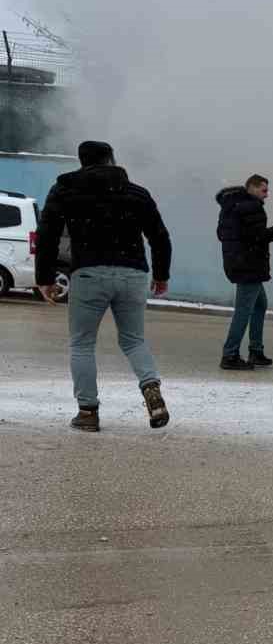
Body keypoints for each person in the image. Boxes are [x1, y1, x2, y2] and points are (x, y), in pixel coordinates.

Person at [33, 140, 172, 432]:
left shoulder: (66, 190)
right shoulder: (136, 193)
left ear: (81, 161)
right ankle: (151, 387)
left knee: (82, 344)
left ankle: (88, 412)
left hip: (88, 274)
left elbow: (48, 234)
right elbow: (159, 236)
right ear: (111, 159)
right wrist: (161, 274)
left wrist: (44, 277)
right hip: (133, 274)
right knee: (134, 340)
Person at [216, 174, 273, 369]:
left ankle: (256, 351)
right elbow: (261, 237)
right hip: (249, 266)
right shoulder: (252, 208)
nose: (267, 195)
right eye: (264, 190)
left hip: (238, 263)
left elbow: (223, 235)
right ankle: (230, 355)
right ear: (251, 188)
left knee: (260, 305)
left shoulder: (231, 206)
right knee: (243, 311)